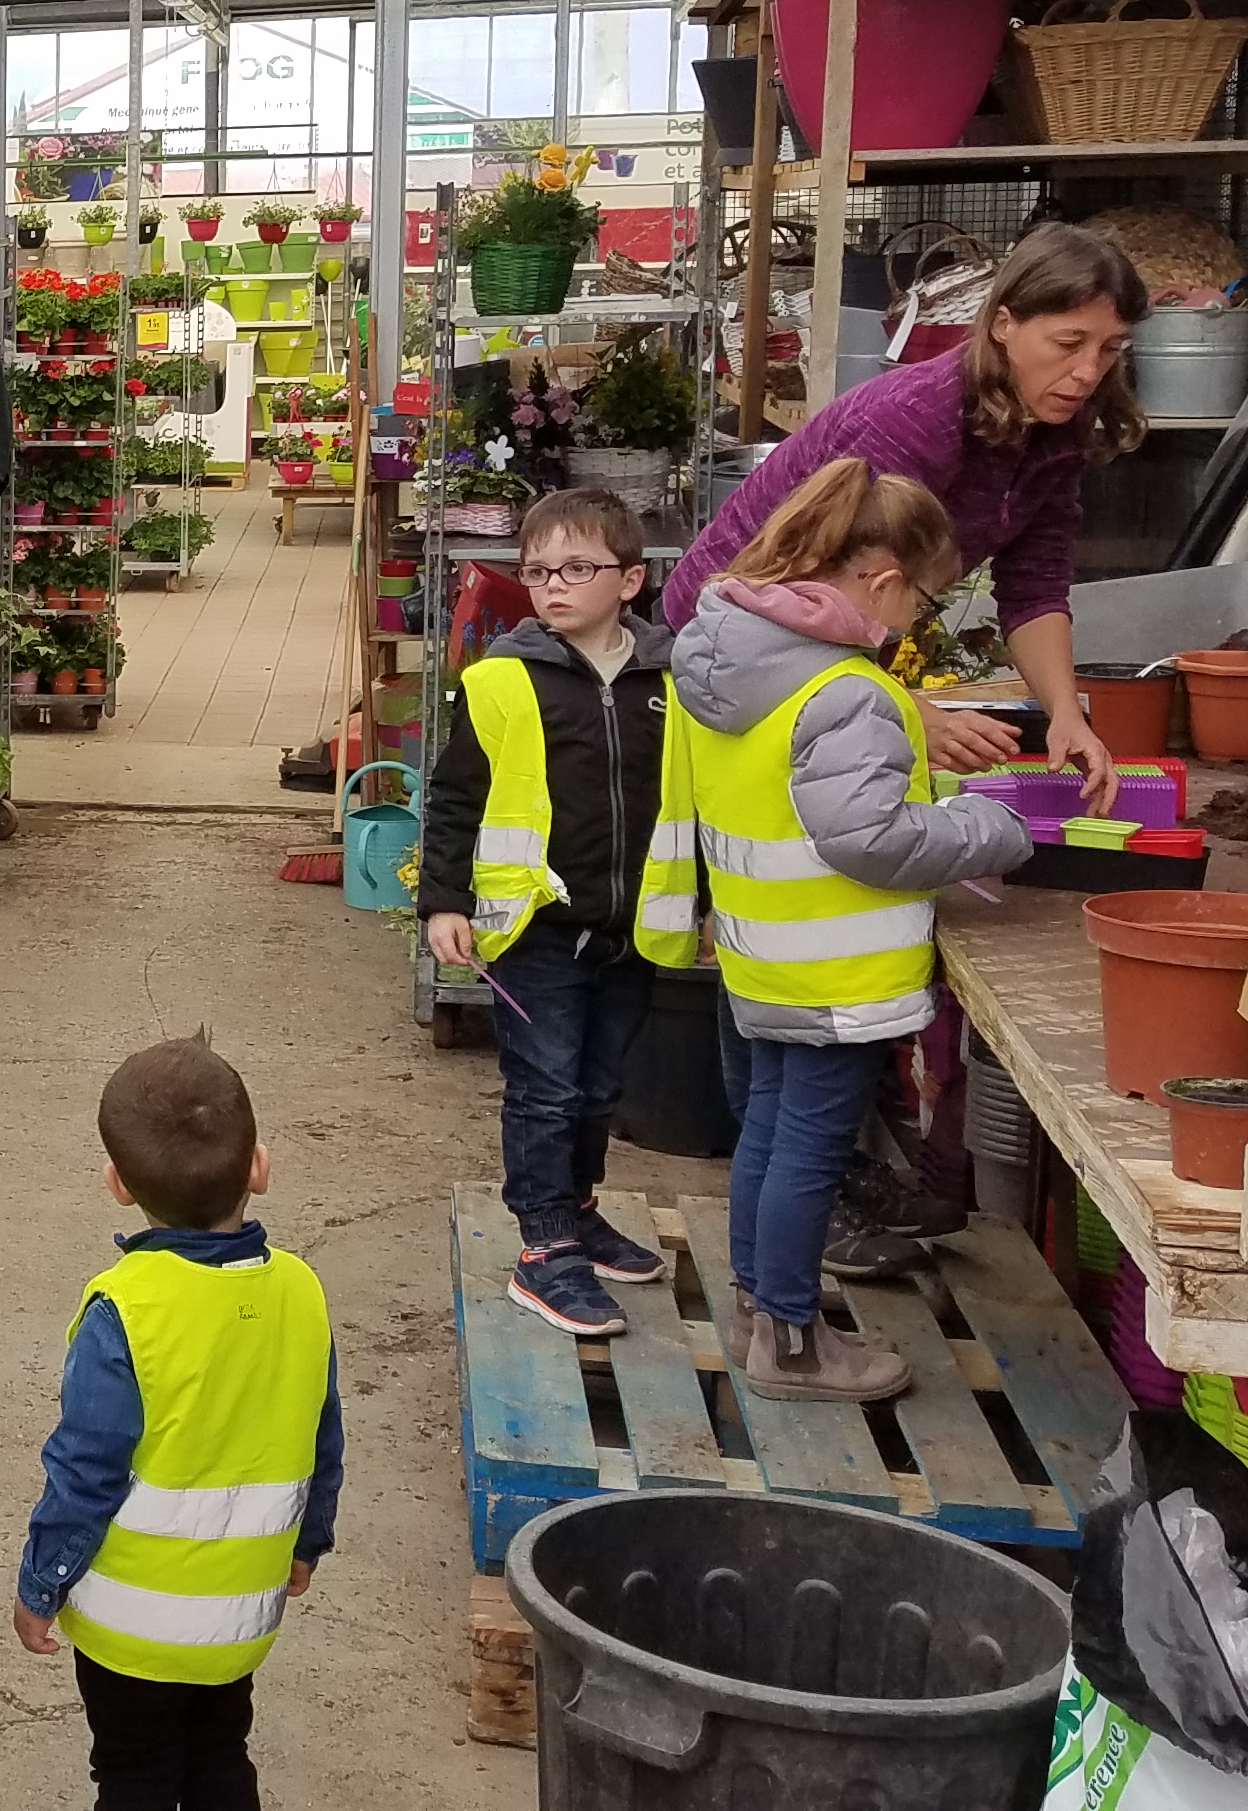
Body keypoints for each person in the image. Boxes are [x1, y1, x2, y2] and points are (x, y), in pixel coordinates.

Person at [671, 457, 1032, 1404]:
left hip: (761, 953)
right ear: (879, 581)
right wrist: (987, 828)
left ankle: (760, 1308)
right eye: (926, 597)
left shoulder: (732, 663)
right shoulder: (847, 692)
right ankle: (792, 1342)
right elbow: (866, 837)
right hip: (839, 972)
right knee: (809, 1153)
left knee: (768, 1139)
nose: (921, 618)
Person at [663, 220, 1152, 813]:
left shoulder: (1057, 431)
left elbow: (1035, 586)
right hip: (732, 634)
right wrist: (914, 714)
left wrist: (1067, 717)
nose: (1088, 371)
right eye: (1068, 343)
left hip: (835, 643)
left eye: (1110, 349)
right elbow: (832, 590)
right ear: (1003, 325)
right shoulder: (917, 418)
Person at [14, 1032, 340, 1811]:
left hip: (129, 1632)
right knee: (221, 1753)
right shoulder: (302, 1291)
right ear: (258, 1165)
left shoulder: (124, 1309)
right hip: (240, 1619)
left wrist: (42, 1582)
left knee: (133, 1775)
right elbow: (323, 1444)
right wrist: (307, 1544)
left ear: (117, 1184)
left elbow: (85, 1470)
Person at [414, 486, 703, 1339]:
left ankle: (575, 1210)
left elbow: (699, 800)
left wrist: (710, 904)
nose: (553, 586)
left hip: (633, 927)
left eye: (577, 568)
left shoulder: (675, 677)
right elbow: (456, 797)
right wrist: (443, 902)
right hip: (535, 930)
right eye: (538, 571)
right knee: (544, 1091)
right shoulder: (503, 680)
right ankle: (543, 1249)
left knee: (600, 1087)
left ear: (630, 580)